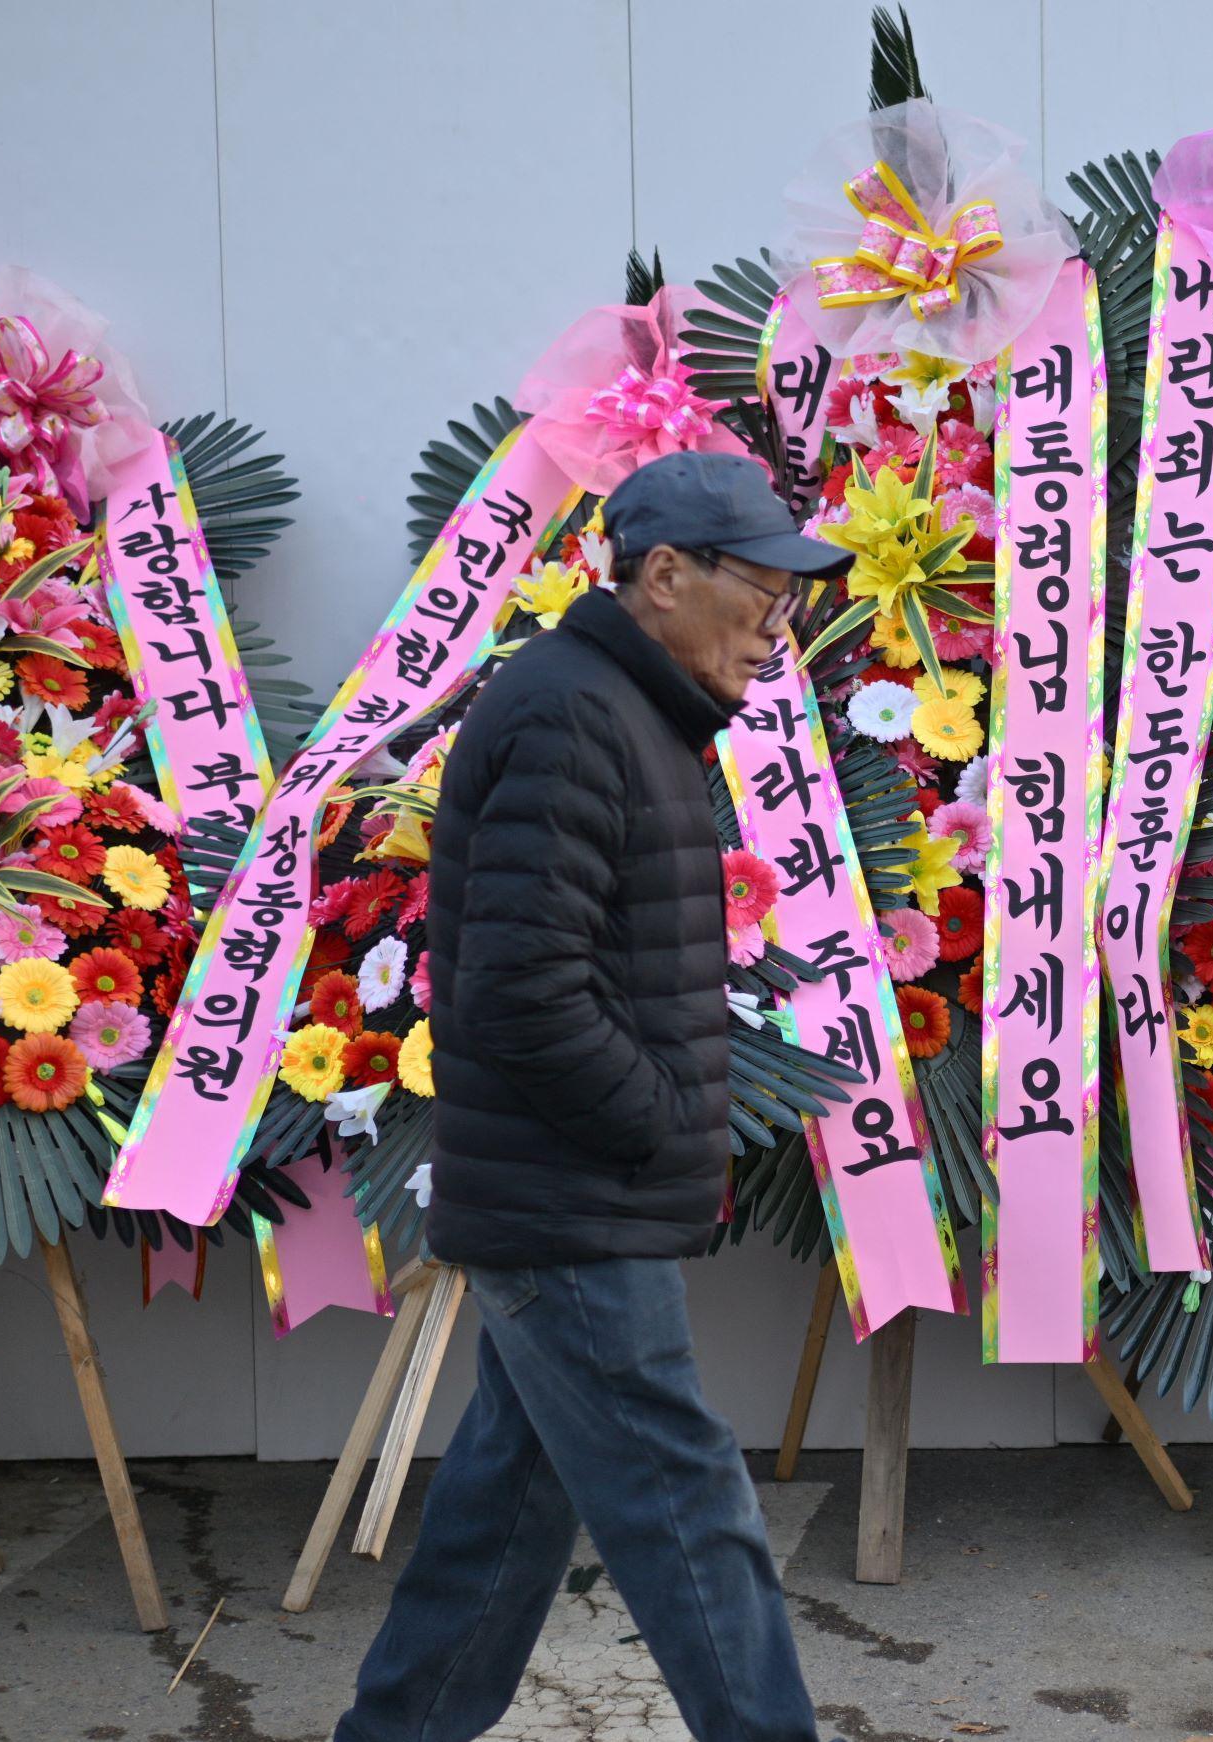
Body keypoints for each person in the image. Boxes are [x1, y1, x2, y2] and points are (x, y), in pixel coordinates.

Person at [333, 451, 846, 1742]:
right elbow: (518, 991)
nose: (779, 620)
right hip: (569, 1196)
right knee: (689, 1505)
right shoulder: (573, 712)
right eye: (763, 588)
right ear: (662, 574)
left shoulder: (625, 706)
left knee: (504, 1514)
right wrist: (662, 1123)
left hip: (564, 1189)